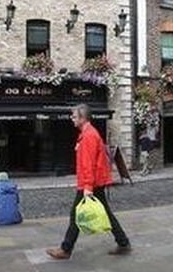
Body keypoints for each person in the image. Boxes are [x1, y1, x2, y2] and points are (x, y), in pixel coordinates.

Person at [46, 104, 131, 260]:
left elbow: (88, 164)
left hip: (91, 183)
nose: (71, 119)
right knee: (105, 212)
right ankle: (123, 242)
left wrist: (87, 187)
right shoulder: (88, 133)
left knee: (75, 214)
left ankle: (66, 249)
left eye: (74, 116)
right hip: (95, 182)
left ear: (82, 118)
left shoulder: (88, 136)